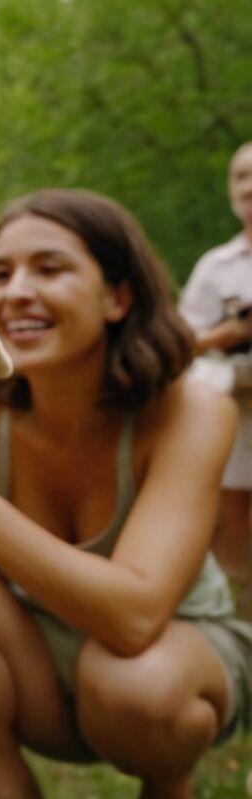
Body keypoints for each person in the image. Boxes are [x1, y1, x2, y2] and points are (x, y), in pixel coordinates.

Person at [0, 188, 252, 799]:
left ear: (118, 297)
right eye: (1, 274)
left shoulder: (192, 410)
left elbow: (135, 617)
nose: (17, 292)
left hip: (169, 668)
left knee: (133, 681)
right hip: (36, 663)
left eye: (50, 269)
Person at [179, 141, 252, 616]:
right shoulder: (215, 266)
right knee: (230, 527)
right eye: (241, 177)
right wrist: (231, 334)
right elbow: (180, 340)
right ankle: (241, 623)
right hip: (233, 414)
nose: (249, 188)